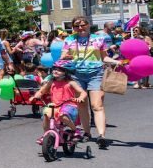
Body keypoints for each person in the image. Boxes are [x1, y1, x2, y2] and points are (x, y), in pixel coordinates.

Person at [60, 15, 123, 148]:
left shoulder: (99, 39)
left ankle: (101, 136)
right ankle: (87, 133)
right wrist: (65, 57)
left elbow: (104, 58)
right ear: (73, 28)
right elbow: (62, 57)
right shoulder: (69, 39)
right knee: (81, 105)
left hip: (96, 74)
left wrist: (117, 61)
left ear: (88, 25)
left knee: (97, 105)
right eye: (77, 26)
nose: (80, 28)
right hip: (76, 75)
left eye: (83, 25)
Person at [38, 60, 86, 138]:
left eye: (59, 70)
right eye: (55, 69)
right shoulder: (51, 81)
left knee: (62, 115)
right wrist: (36, 96)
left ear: (66, 72)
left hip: (69, 105)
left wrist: (80, 98)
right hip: (55, 105)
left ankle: (75, 130)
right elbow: (42, 91)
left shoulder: (71, 82)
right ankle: (46, 135)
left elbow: (83, 92)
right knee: (46, 115)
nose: (56, 71)